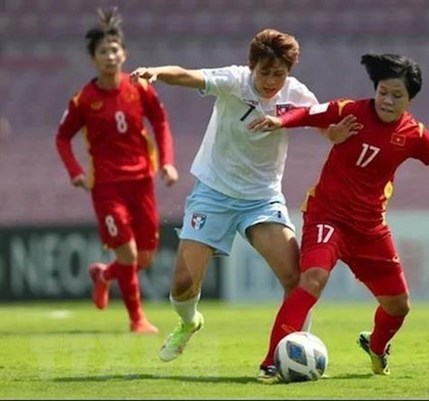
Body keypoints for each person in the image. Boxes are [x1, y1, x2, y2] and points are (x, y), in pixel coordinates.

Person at [248, 53, 429, 382]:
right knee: (313, 279)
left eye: (396, 95)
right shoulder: (351, 111)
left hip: (370, 229)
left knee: (398, 306)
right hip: (327, 217)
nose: (387, 100)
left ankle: (376, 347)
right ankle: (270, 362)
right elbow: (309, 113)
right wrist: (280, 121)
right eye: (383, 92)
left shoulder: (414, 134)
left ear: (410, 99)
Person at [129, 28, 358, 376]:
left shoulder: (297, 95)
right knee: (181, 284)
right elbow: (188, 76)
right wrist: (157, 72)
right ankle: (189, 322)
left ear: (288, 72)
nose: (270, 81)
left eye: (278, 73)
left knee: (295, 277)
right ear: (252, 67)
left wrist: (334, 135)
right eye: (264, 72)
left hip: (262, 198)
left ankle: (295, 347)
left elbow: (323, 126)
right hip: (214, 192)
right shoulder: (234, 81)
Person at [55, 7, 179, 334]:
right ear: (93, 59)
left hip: (142, 181)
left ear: (124, 53)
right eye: (103, 52)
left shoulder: (139, 88)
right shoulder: (84, 100)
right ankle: (136, 319)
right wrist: (75, 171)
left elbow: (161, 121)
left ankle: (105, 274)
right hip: (107, 186)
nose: (110, 56)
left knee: (147, 258)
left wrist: (166, 161)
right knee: (128, 250)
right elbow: (62, 137)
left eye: (114, 50)